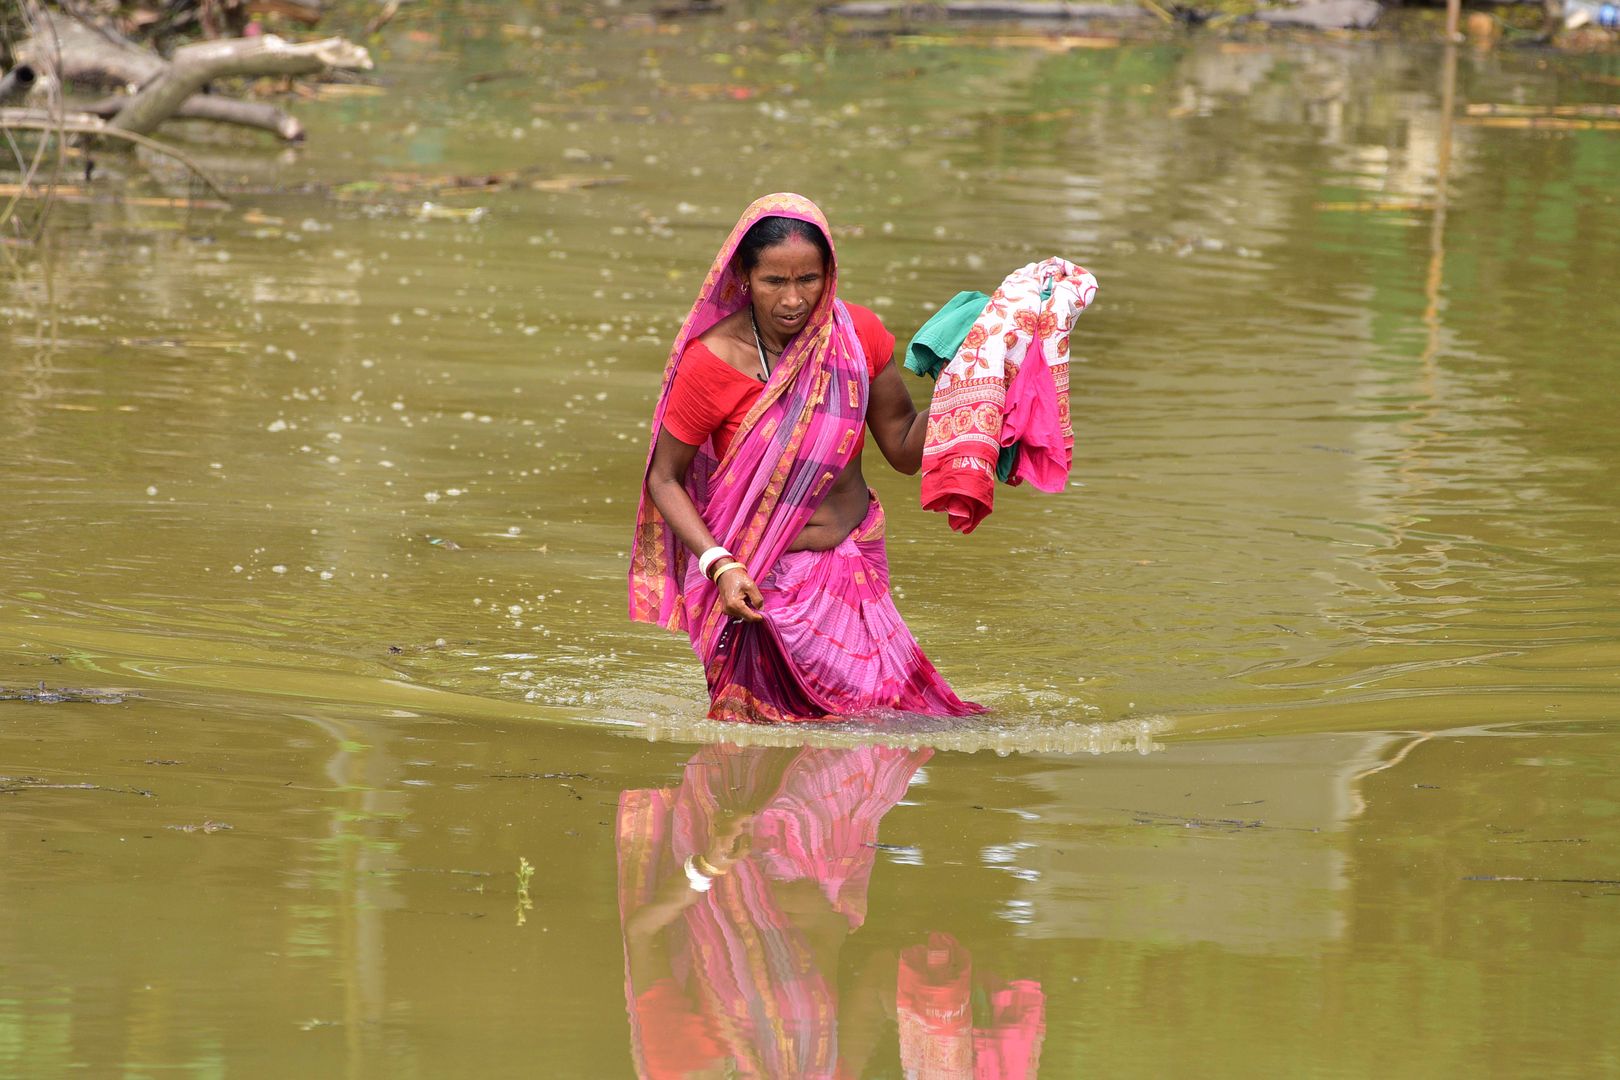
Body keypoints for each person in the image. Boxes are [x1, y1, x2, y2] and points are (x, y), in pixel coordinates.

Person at [629, 193, 982, 724]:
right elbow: (664, 479)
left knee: (889, 721)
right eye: (774, 282)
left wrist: (969, 381)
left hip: (854, 565)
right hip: (758, 582)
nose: (793, 300)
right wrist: (720, 566)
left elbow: (906, 448)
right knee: (770, 740)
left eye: (808, 280)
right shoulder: (712, 362)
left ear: (829, 274)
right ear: (744, 278)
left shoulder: (856, 336)